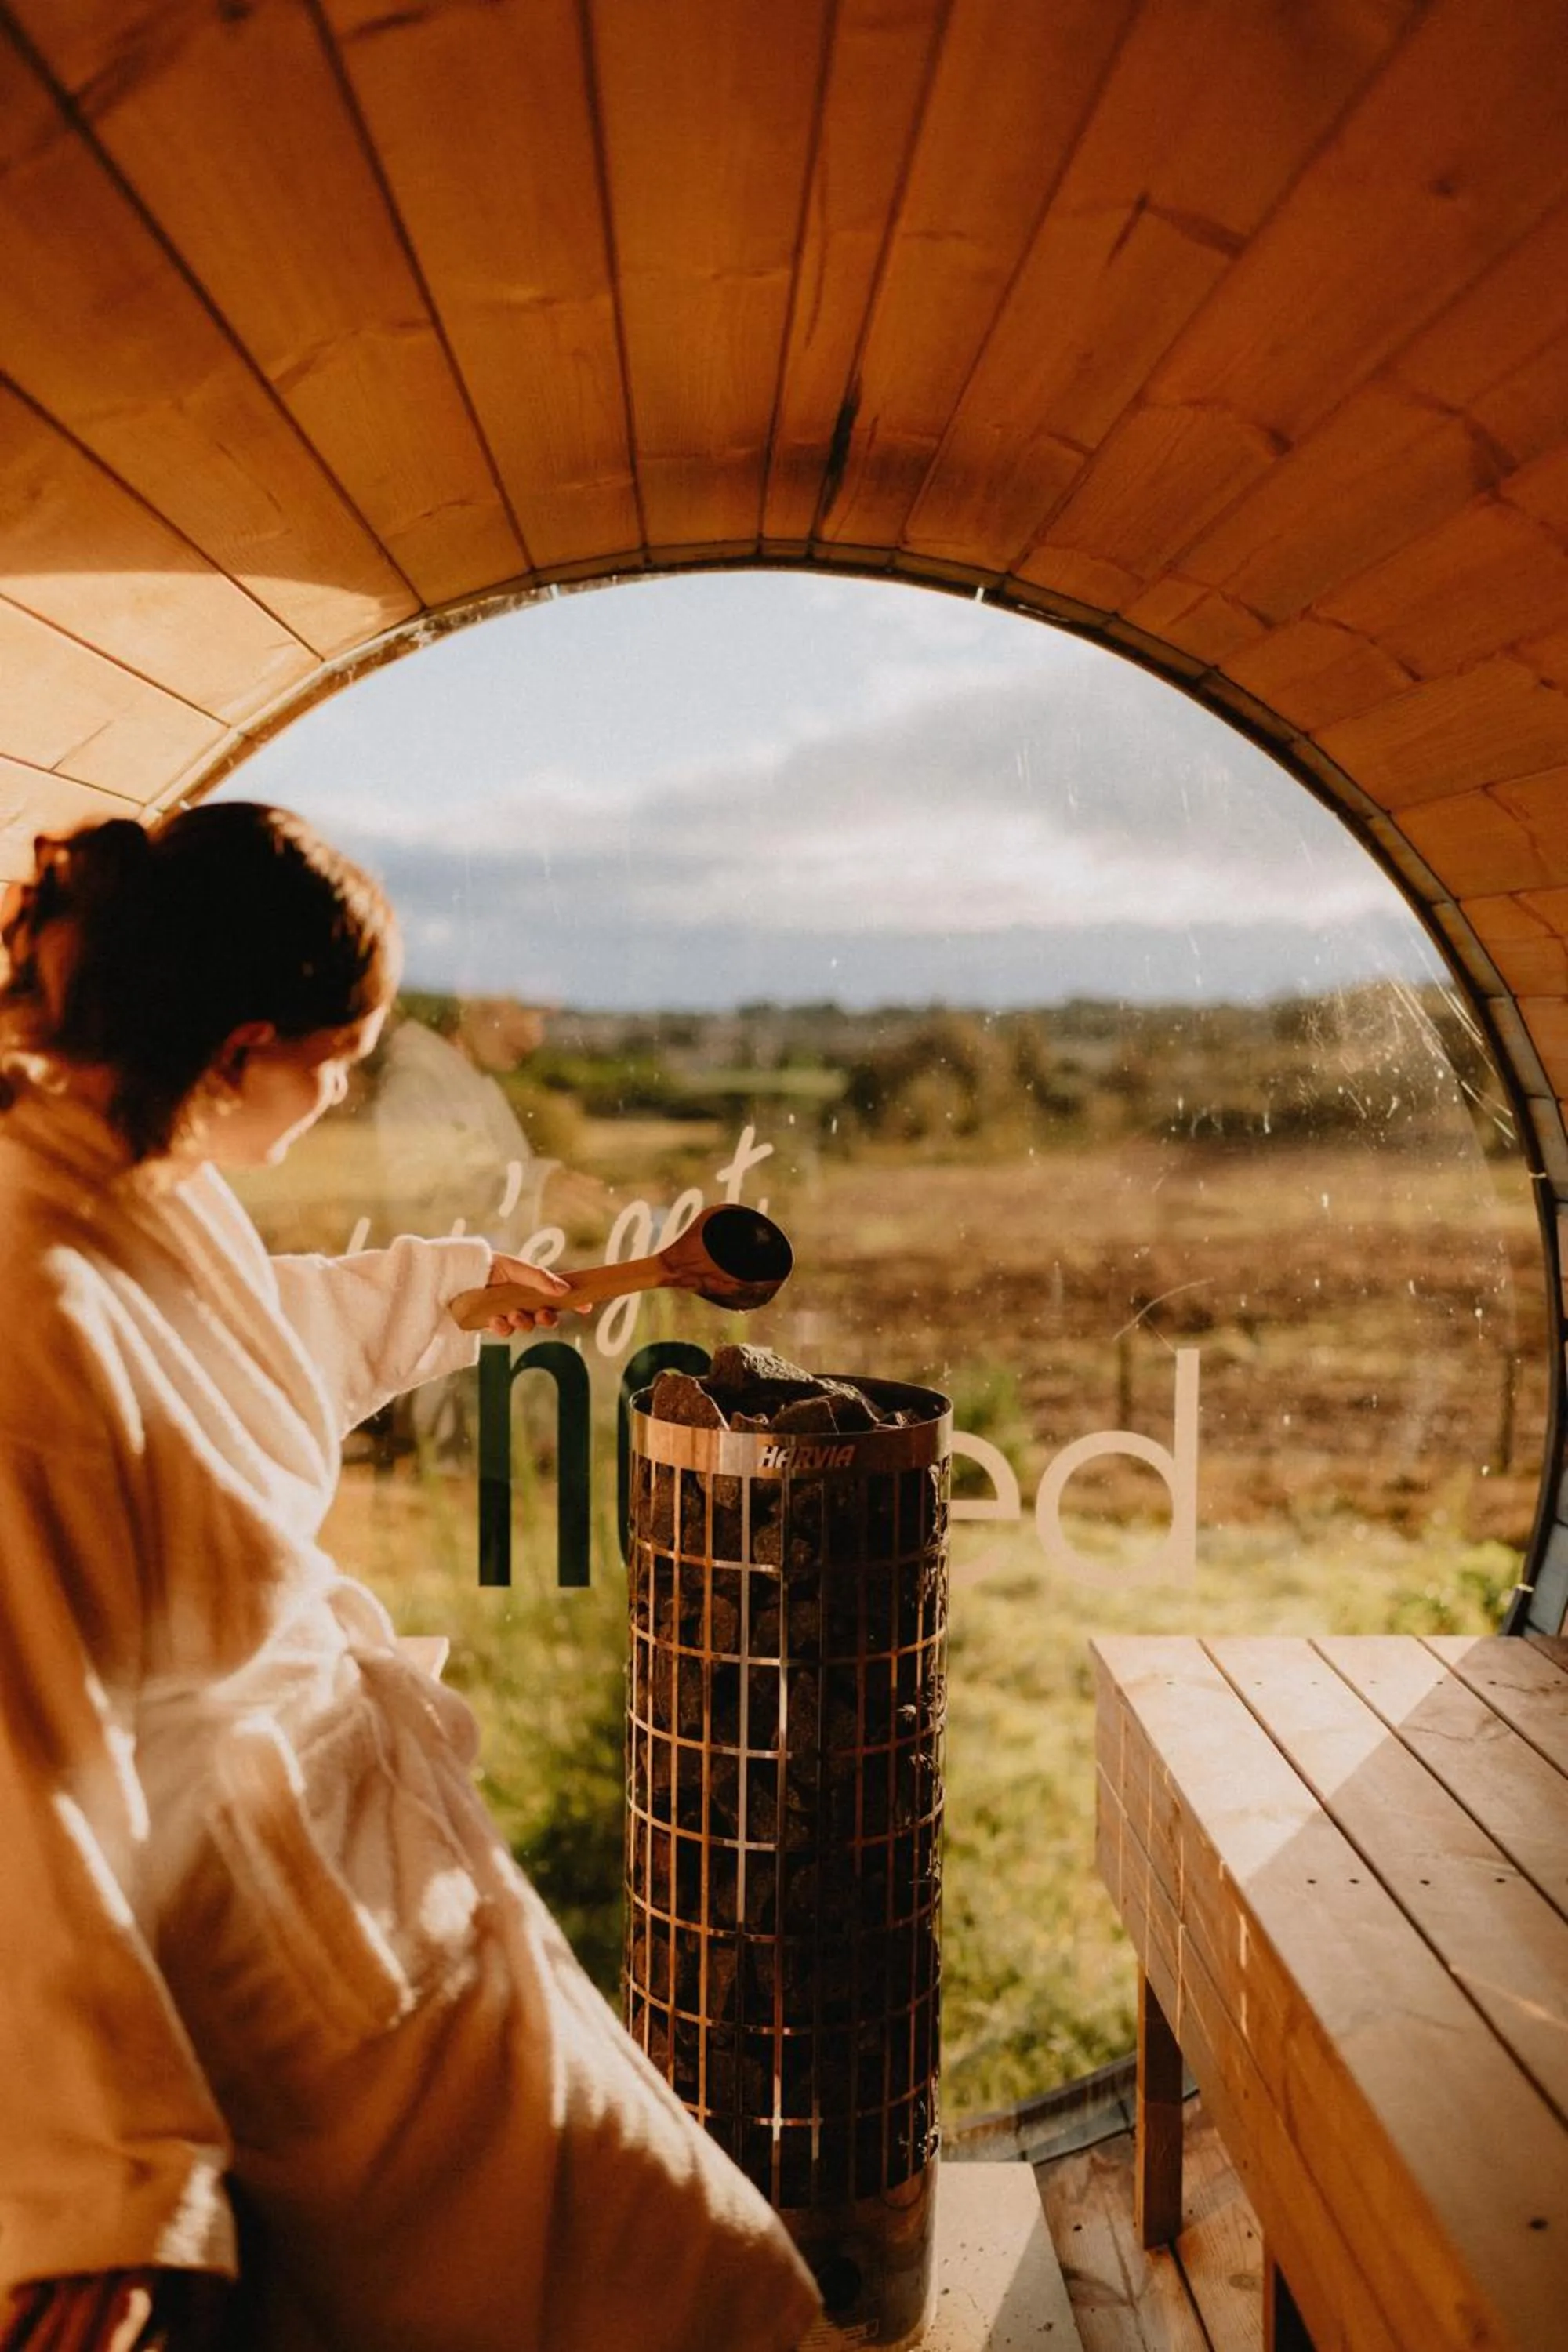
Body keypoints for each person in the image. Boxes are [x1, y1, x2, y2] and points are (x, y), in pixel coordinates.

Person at [0, 807, 820, 2352]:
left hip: (366, 1882)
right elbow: (26, 1771)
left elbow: (240, 1344)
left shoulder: (137, 1179)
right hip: (269, 1958)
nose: (340, 1095)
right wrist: (104, 2188)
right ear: (244, 1046)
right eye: (339, 1060)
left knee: (695, 2271)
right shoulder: (32, 1297)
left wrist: (441, 1293)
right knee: (647, 2286)